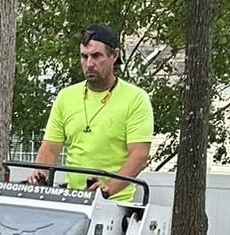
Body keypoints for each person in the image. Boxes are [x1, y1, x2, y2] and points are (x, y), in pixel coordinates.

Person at [28, 25, 154, 200]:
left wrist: (107, 190)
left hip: (114, 204)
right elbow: (49, 149)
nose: (89, 63)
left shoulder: (136, 99)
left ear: (114, 56)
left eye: (96, 56)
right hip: (71, 199)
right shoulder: (66, 97)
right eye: (84, 56)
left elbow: (139, 155)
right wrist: (40, 176)